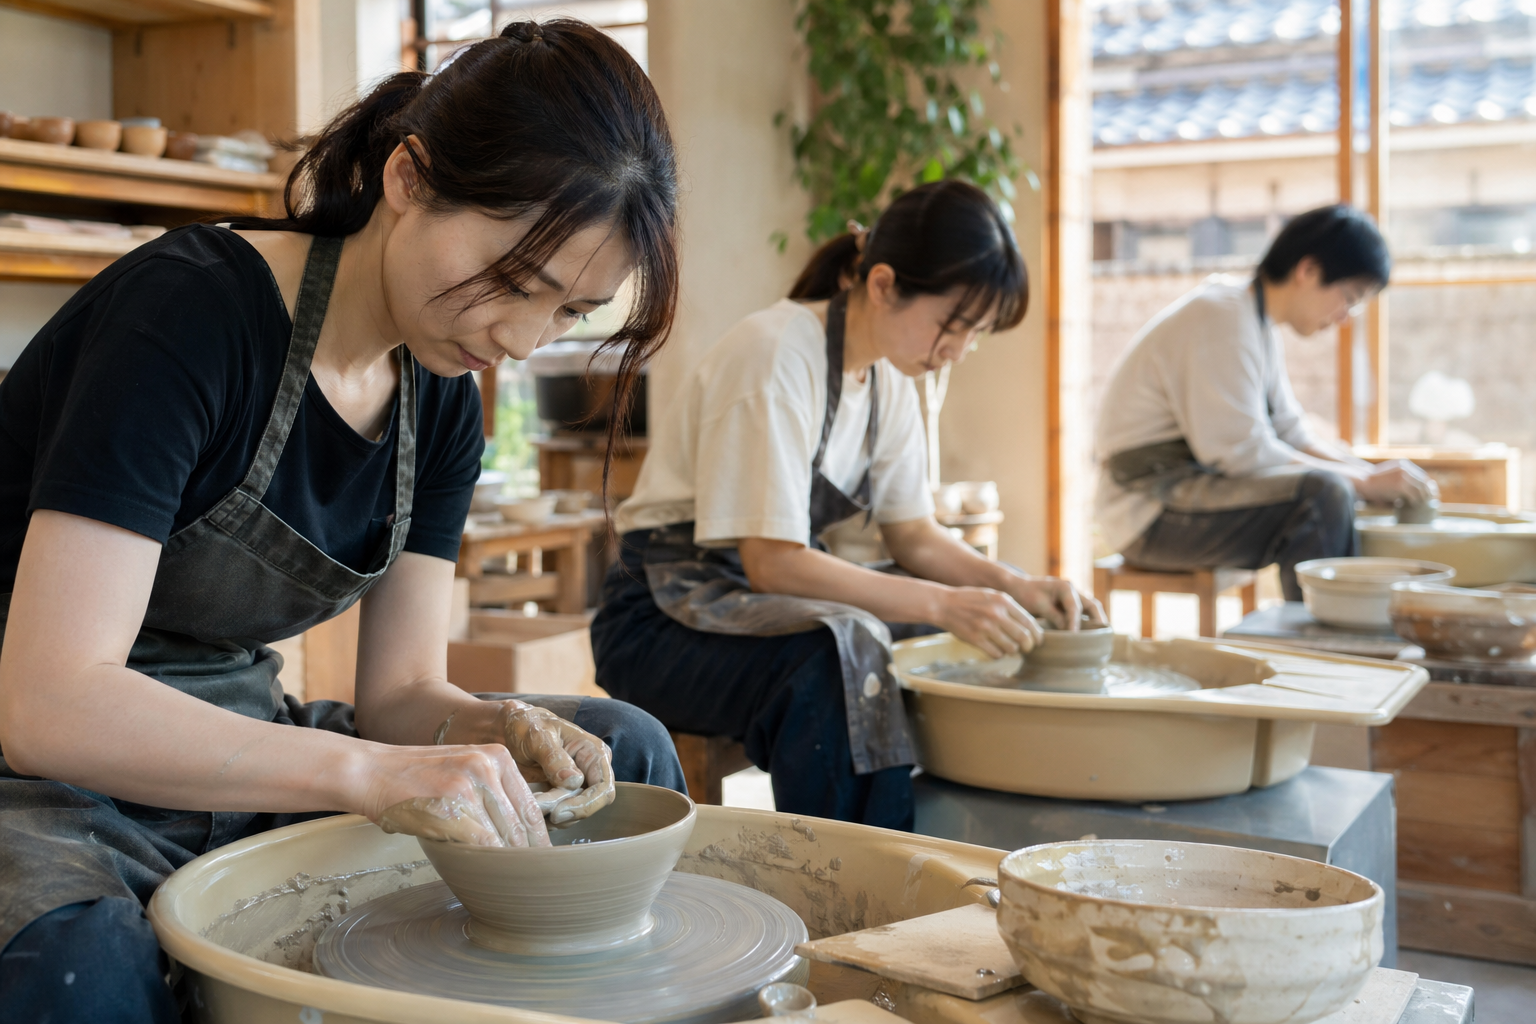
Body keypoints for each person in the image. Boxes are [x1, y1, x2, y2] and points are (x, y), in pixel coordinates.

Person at [0, 21, 685, 1020]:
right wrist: (371, 772)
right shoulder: (189, 318)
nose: (523, 339)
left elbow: (398, 696)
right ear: (409, 177)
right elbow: (51, 705)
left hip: (233, 742)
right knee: (83, 962)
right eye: (516, 280)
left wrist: (497, 728)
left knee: (624, 752)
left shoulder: (441, 393)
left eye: (571, 312)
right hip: (36, 771)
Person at [590, 180, 1104, 832]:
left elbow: (913, 536)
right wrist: (944, 601)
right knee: (841, 656)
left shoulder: (889, 377)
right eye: (954, 323)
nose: (959, 349)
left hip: (755, 602)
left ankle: (954, 842)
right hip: (658, 622)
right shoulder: (776, 355)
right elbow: (774, 563)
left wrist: (1018, 588)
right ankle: (852, 880)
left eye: (976, 333)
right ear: (884, 283)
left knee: (956, 638)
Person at [1094, 204, 1436, 602]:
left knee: (1339, 489)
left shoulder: (1253, 320)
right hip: (1148, 513)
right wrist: (1361, 482)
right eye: (1349, 297)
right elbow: (1242, 454)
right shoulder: (1221, 318)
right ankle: (1316, 646)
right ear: (1307, 271)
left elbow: (1291, 433)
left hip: (1191, 496)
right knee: (1322, 498)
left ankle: (1337, 631)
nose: (1345, 317)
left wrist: (1368, 474)